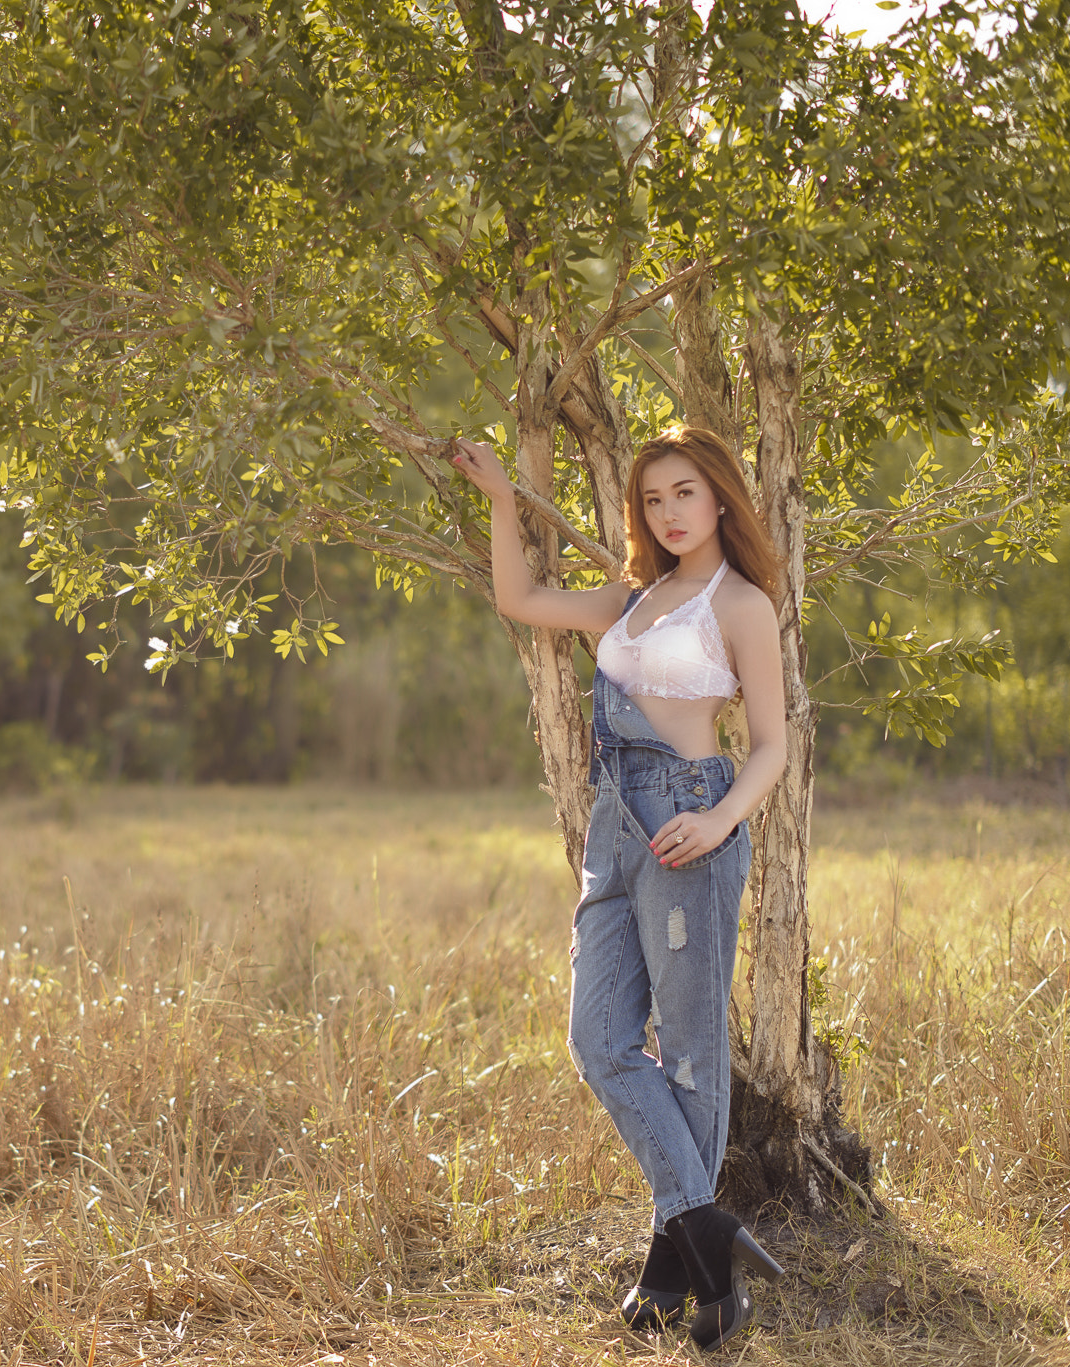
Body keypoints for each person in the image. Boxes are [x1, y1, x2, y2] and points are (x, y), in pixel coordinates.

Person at [447, 426, 789, 1351]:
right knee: (599, 1037)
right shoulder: (633, 600)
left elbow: (772, 746)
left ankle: (677, 1262)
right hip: (612, 827)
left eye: (685, 493)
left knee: (688, 1051)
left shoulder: (741, 604)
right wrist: (504, 500)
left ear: (719, 497)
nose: (669, 513)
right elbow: (518, 598)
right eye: (652, 501)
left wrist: (719, 823)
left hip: (689, 822)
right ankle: (703, 1226)